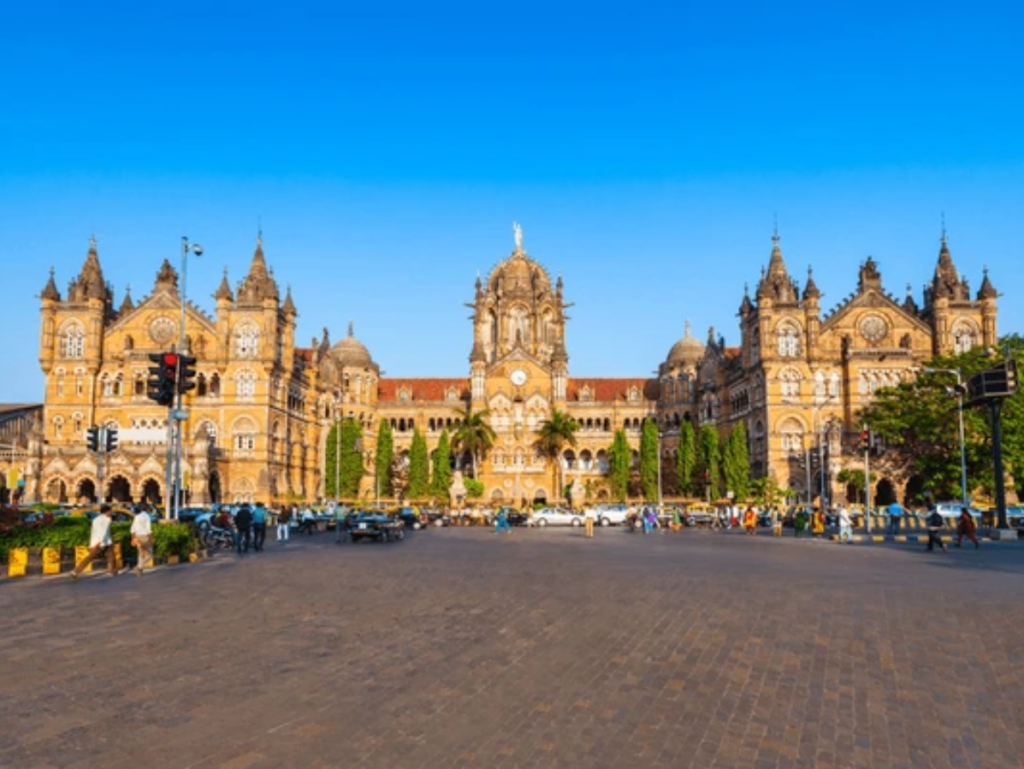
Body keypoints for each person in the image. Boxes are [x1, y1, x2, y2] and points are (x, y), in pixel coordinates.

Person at [71, 505, 118, 579]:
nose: (111, 513)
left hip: (97, 541)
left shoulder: (96, 519)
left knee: (91, 557)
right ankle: (111, 571)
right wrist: (100, 542)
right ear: (107, 512)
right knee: (110, 556)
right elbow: (103, 531)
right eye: (110, 511)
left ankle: (75, 571)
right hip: (103, 542)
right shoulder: (106, 520)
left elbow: (94, 532)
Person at [131, 509, 154, 573]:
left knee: (140, 553)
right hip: (145, 537)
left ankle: (139, 569)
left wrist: (133, 538)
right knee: (150, 554)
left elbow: (133, 528)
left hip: (137, 536)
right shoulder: (147, 516)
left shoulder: (137, 516)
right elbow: (148, 529)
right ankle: (139, 566)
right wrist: (151, 539)